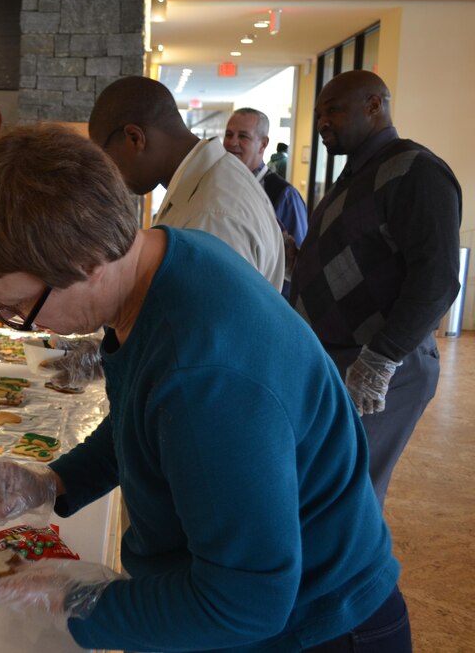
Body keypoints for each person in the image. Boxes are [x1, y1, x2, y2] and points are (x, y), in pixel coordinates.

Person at [0, 123, 408, 652]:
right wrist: (53, 483)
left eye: (18, 306)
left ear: (87, 264)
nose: (21, 319)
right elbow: (144, 414)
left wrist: (76, 601)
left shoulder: (203, 375)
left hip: (318, 629)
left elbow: (244, 603)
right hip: (263, 605)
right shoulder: (165, 260)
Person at [290, 70, 462, 505]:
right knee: (325, 489)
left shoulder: (416, 171)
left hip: (381, 367)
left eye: (334, 109)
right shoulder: (356, 174)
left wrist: (380, 361)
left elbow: (438, 277)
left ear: (374, 106)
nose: (323, 122)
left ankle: (361, 575)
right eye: (318, 113)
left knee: (348, 498)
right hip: (336, 361)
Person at [89, 76, 285, 291]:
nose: (111, 172)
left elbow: (208, 321)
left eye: (106, 158)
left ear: (135, 138)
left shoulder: (212, 214)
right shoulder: (205, 183)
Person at [224, 108, 309, 297]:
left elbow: (297, 269)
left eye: (243, 136)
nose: (232, 142)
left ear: (263, 144)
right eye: (229, 134)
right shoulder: (219, 184)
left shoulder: (285, 196)